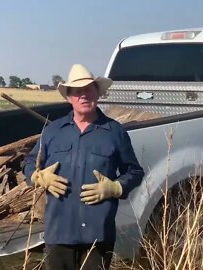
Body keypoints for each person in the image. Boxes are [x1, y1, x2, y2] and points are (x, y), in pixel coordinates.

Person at [24, 64, 144, 270]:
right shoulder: (53, 132)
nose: (84, 95)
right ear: (69, 97)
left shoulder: (115, 132)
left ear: (98, 93)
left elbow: (135, 172)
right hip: (58, 233)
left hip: (97, 235)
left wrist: (116, 187)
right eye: (77, 91)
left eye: (89, 89)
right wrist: (38, 176)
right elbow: (29, 164)